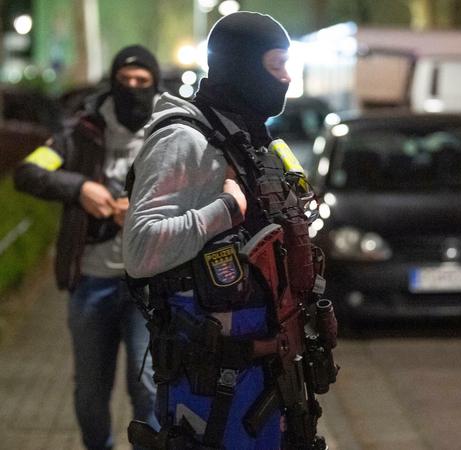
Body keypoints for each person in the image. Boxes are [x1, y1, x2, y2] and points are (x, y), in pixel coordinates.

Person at [123, 12, 337, 450]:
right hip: (214, 395)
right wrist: (225, 209)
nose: (287, 78)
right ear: (241, 65)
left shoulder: (252, 139)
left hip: (268, 381)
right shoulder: (185, 139)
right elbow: (140, 249)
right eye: (276, 65)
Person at [13, 45, 161, 450]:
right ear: (112, 82)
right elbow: (28, 172)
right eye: (125, 80)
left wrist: (142, 207)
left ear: (155, 84)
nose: (133, 88)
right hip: (91, 282)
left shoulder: (169, 129)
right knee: (90, 392)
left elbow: (192, 190)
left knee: (149, 386)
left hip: (149, 285)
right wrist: (79, 188)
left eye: (142, 81)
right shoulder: (80, 131)